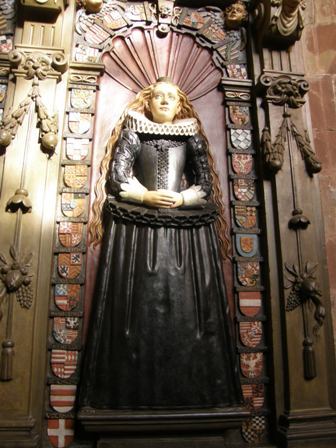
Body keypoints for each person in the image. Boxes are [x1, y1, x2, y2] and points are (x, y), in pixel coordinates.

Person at [79, 78, 242, 409]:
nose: (165, 101)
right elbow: (118, 177)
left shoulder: (190, 132)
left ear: (179, 102)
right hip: (138, 228)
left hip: (185, 228)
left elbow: (205, 183)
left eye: (171, 96)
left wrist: (182, 199)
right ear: (149, 102)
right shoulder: (134, 130)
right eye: (159, 97)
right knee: (135, 308)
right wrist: (145, 196)